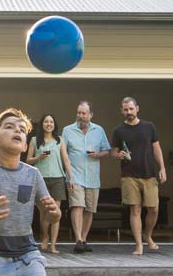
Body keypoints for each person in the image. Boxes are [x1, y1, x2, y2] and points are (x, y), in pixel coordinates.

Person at [0, 108, 62, 276]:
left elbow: (49, 215)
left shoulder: (33, 174)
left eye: (22, 129)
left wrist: (55, 213)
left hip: (27, 254)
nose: (17, 130)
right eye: (9, 126)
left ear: (25, 145)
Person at [112, 97, 165, 256]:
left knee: (154, 209)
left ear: (137, 108)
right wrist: (118, 154)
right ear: (122, 111)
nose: (129, 112)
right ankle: (139, 245)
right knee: (135, 210)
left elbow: (156, 148)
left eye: (131, 109)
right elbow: (113, 151)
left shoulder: (149, 127)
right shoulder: (119, 130)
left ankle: (147, 235)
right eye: (125, 109)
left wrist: (162, 167)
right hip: (129, 175)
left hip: (149, 174)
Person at [61, 101, 111, 254]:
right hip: (74, 176)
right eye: (78, 113)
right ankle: (78, 240)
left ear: (91, 115)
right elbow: (64, 155)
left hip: (93, 177)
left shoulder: (99, 130)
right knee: (77, 206)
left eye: (83, 113)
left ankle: (83, 239)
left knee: (89, 209)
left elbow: (107, 151)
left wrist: (98, 154)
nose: (80, 116)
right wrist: (69, 176)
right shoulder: (67, 131)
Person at [22, 114, 70, 254]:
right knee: (44, 212)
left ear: (54, 125)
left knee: (56, 212)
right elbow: (28, 161)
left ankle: (53, 244)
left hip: (58, 179)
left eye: (51, 122)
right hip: (41, 178)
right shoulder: (35, 141)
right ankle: (45, 237)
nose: (49, 124)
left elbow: (66, 160)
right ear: (42, 124)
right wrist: (39, 157)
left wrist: (70, 178)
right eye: (46, 122)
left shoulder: (60, 140)